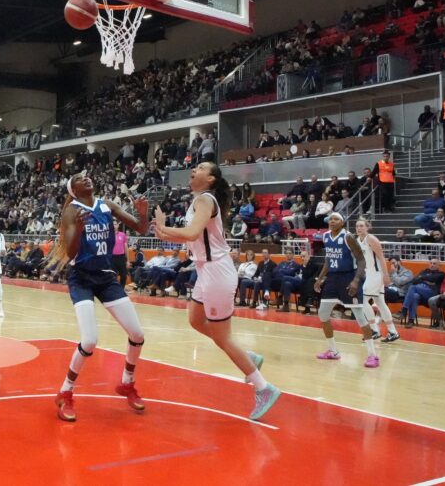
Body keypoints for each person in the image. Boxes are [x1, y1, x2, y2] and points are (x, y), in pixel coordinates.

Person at [153, 161, 280, 421]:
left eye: (200, 167)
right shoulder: (197, 201)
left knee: (223, 337)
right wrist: (163, 233)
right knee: (195, 320)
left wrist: (166, 227)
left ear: (211, 179)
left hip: (217, 273)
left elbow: (191, 232)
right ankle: (247, 357)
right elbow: (190, 237)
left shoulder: (205, 200)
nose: (194, 170)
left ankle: (264, 388)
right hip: (204, 270)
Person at [48, 173, 150, 423]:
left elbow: (140, 228)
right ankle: (66, 391)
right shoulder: (71, 211)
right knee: (90, 340)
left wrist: (142, 213)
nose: (87, 179)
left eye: (88, 177)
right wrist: (79, 230)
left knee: (137, 334)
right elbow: (71, 252)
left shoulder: (107, 205)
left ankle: (127, 383)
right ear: (73, 189)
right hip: (81, 277)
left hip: (105, 277)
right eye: (80, 179)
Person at [313, 213, 379, 367]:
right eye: (330, 219)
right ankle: (333, 351)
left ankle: (373, 355)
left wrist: (356, 280)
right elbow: (329, 259)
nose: (332, 221)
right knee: (322, 314)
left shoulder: (347, 237)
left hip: (349, 277)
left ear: (342, 223)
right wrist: (321, 278)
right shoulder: (326, 237)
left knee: (360, 317)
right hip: (333, 279)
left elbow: (361, 260)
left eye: (336, 219)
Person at [355, 219, 400, 343]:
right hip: (369, 273)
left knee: (362, 299)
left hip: (377, 274)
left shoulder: (371, 239)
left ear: (367, 227)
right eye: (357, 226)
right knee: (380, 302)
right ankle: (393, 332)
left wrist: (385, 275)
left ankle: (374, 330)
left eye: (361, 226)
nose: (359, 228)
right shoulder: (358, 240)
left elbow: (381, 257)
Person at [400, 259, 445, 327]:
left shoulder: (441, 274)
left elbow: (433, 278)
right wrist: (426, 280)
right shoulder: (424, 271)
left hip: (432, 295)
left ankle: (404, 310)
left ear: (439, 265)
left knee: (413, 287)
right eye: (431, 263)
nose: (432, 265)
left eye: (434, 263)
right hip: (421, 295)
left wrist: (422, 278)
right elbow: (414, 280)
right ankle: (411, 321)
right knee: (414, 296)